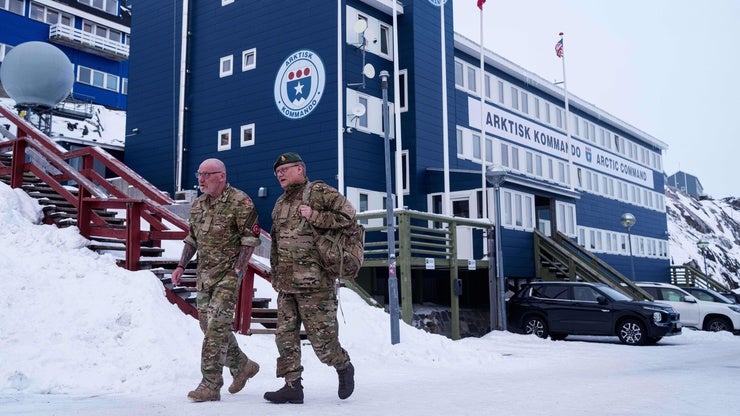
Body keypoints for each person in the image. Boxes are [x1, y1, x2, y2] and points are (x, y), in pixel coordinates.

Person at [264, 152, 355, 404]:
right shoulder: (280, 203)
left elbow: (349, 216)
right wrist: (275, 273)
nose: (280, 174)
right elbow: (276, 243)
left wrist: (315, 216)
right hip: (286, 283)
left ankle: (343, 365)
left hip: (315, 283)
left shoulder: (318, 192)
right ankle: (292, 386)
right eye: (277, 172)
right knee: (285, 337)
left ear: (301, 169)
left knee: (323, 343)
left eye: (286, 169)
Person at [171, 158, 262, 402]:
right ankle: (242, 365)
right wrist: (181, 265)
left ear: (221, 176)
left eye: (206, 174)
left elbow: (250, 240)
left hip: (227, 277)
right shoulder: (199, 204)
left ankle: (210, 384)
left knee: (215, 329)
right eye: (199, 174)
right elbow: (192, 238)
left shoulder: (240, 201)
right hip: (204, 276)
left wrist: (238, 272)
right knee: (207, 326)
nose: (200, 180)